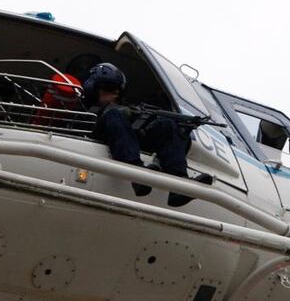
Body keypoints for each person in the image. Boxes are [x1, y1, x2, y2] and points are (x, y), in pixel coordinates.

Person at [83, 62, 213, 206]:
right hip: (97, 135)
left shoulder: (123, 109)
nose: (114, 95)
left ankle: (179, 185)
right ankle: (137, 174)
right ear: (93, 88)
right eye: (108, 89)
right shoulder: (83, 107)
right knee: (114, 115)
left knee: (168, 124)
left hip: (124, 141)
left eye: (117, 92)